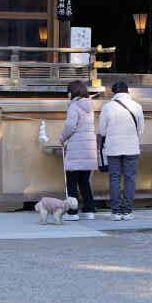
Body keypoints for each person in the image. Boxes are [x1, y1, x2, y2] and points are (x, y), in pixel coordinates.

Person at [98, 79, 145, 220]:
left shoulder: (107, 107)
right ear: (127, 91)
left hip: (113, 147)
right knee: (130, 178)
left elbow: (102, 130)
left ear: (113, 92)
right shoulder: (137, 106)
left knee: (114, 178)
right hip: (131, 147)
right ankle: (128, 211)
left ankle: (116, 212)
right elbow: (141, 129)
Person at [59, 80, 99, 220]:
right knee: (84, 182)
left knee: (71, 182)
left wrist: (61, 138)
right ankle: (89, 210)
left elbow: (70, 126)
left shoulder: (74, 106)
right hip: (88, 149)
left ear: (73, 92)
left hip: (76, 148)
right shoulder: (89, 106)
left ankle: (72, 212)